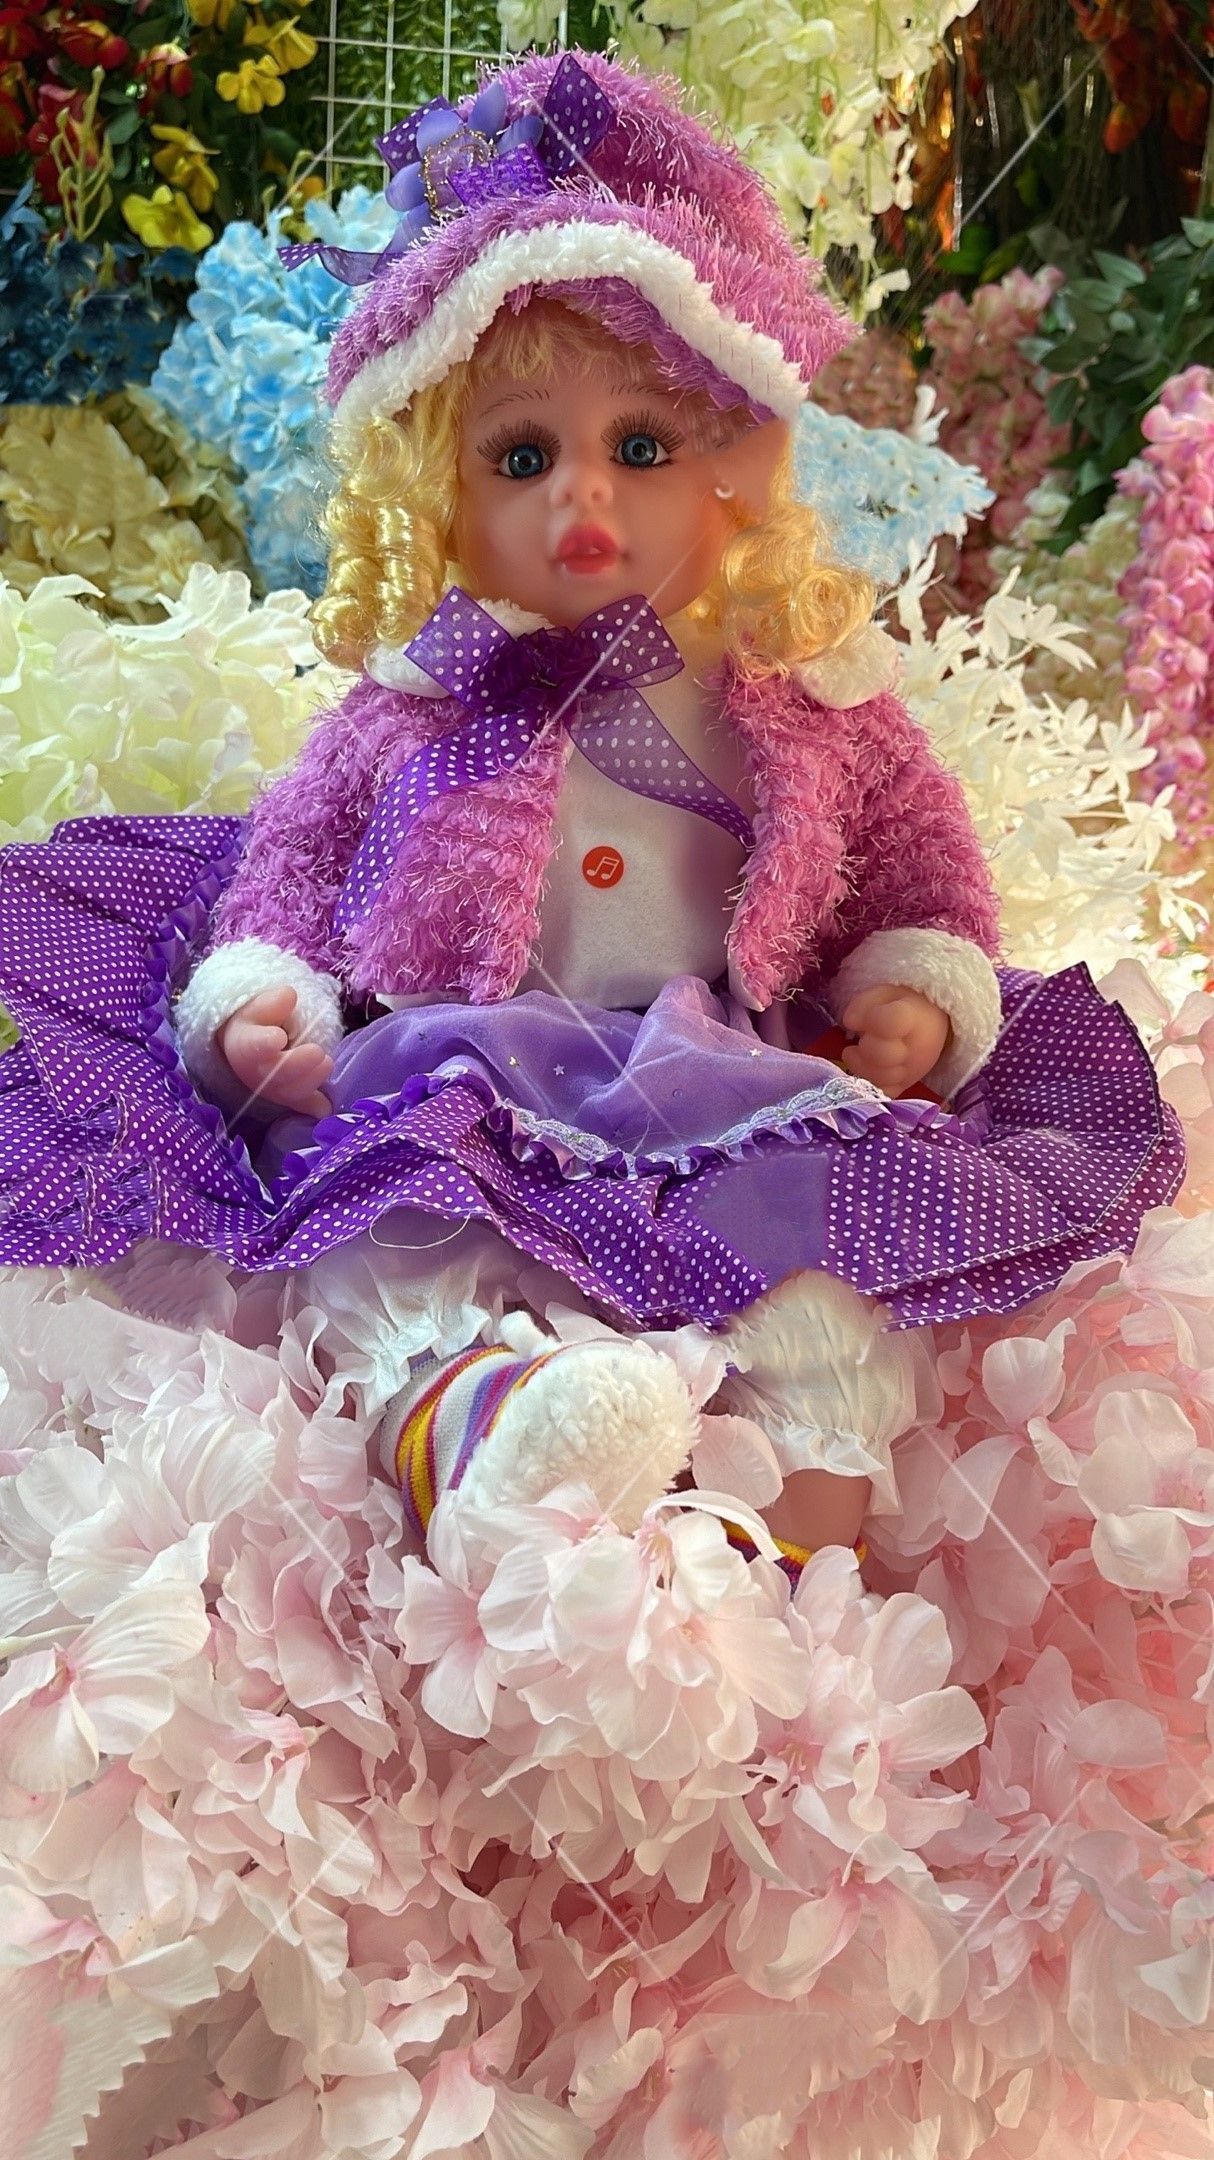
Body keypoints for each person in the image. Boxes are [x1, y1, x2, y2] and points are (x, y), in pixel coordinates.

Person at [0, 51, 1183, 1580]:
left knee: (822, 1285)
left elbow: (921, 876)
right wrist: (264, 999)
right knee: (401, 1234)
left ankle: (769, 1554)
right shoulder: (426, 697)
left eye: (640, 447)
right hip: (465, 1062)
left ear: (733, 467)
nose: (584, 499)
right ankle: (492, 1429)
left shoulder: (804, 700)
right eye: (521, 455)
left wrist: (911, 988)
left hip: (730, 1078)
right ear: (437, 494)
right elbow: (288, 870)